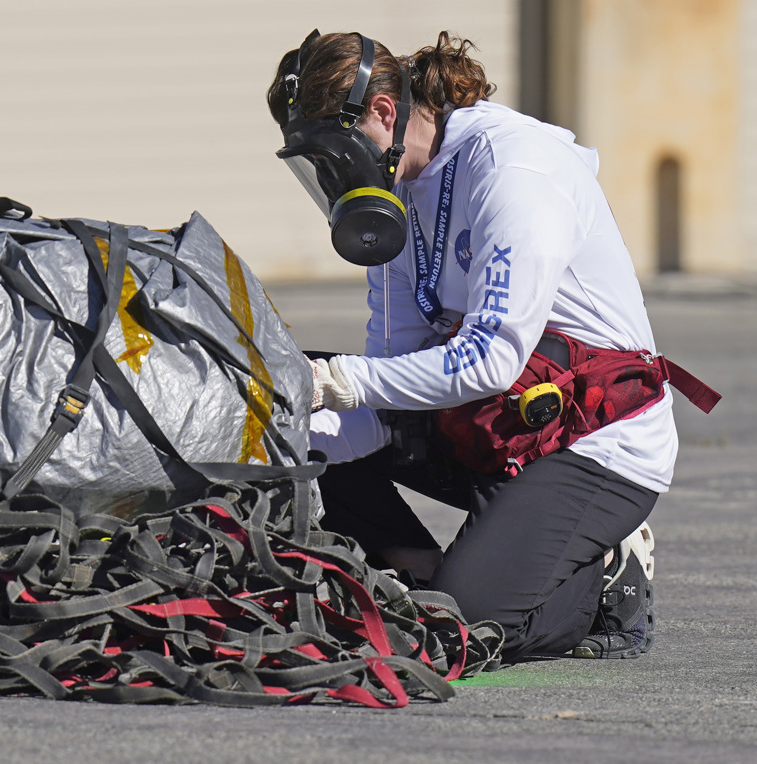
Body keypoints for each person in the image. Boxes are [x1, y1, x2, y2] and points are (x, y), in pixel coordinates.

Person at [268, 30, 717, 662]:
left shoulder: (513, 171)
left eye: (336, 156)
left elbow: (488, 359)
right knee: (291, 416)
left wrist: (337, 383)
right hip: (492, 421)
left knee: (464, 630)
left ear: (384, 113)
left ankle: (608, 572)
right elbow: (391, 374)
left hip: (591, 441)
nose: (334, 179)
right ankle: (423, 573)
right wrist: (291, 427)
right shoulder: (396, 196)